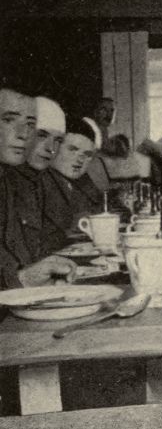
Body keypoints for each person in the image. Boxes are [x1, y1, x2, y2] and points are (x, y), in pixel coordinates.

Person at [0, 87, 75, 288]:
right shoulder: (13, 179)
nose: (23, 134)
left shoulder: (8, 180)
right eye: (8, 120)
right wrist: (23, 279)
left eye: (30, 125)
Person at [40, 116, 104, 254]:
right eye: (72, 149)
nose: (80, 159)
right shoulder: (39, 180)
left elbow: (101, 209)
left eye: (87, 154)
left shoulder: (82, 179)